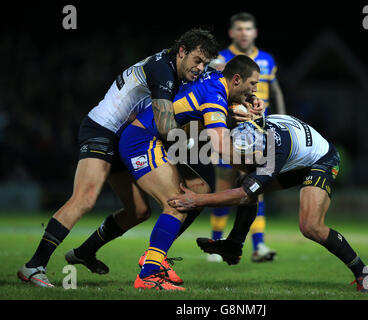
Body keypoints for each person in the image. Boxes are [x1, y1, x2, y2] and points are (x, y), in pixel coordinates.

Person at [17, 28, 219, 288]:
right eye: (197, 61)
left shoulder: (171, 67)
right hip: (103, 130)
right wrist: (199, 138)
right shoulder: (163, 71)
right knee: (85, 198)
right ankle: (34, 265)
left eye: (205, 63)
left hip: (128, 137)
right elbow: (166, 127)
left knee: (139, 211)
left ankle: (85, 252)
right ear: (182, 52)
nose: (201, 68)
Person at [66, 55, 263, 291]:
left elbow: (223, 69)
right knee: (178, 202)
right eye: (253, 85)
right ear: (238, 79)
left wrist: (248, 96)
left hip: (158, 139)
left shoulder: (218, 77)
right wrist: (253, 167)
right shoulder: (215, 96)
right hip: (142, 139)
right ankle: (150, 272)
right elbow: (220, 147)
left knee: (199, 191)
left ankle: (152, 256)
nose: (256, 90)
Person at [168, 115, 368, 292]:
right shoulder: (253, 123)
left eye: (249, 158)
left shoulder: (275, 154)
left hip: (321, 160)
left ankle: (366, 274)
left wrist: (196, 199)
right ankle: (234, 245)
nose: (247, 162)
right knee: (246, 180)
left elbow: (243, 194)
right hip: (298, 156)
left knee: (310, 226)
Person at [208, 12, 286, 263]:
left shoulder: (267, 60)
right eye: (239, 29)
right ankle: (216, 241)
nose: (244, 33)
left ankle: (258, 245)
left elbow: (275, 90)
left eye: (248, 28)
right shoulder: (221, 59)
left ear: (255, 32)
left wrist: (281, 120)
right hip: (229, 129)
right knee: (224, 186)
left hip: (260, 131)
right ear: (232, 33)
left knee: (256, 186)